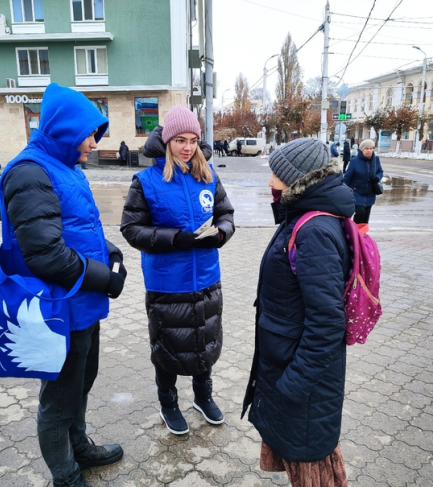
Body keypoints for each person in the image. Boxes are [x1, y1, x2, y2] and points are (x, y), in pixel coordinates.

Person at [1, 83, 126, 487]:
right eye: (89, 134)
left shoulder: (65, 167)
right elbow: (45, 254)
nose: (94, 143)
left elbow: (78, 229)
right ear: (66, 129)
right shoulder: (29, 172)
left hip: (81, 303)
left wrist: (110, 252)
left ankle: (79, 447)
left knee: (81, 383)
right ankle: (66, 475)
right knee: (58, 399)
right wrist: (104, 277)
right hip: (57, 307)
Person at [242, 138, 354, 487]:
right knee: (301, 458)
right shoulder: (301, 216)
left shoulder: (314, 231)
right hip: (286, 362)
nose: (270, 181)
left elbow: (328, 323)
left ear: (299, 179)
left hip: (299, 376)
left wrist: (294, 383)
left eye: (277, 174)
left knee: (313, 468)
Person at [120, 105, 235, 436]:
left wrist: (221, 233)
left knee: (205, 343)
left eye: (193, 140)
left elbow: (226, 214)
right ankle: (168, 403)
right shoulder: (146, 181)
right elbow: (131, 229)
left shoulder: (208, 174)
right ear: (167, 140)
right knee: (168, 348)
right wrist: (175, 239)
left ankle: (203, 397)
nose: (187, 147)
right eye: (180, 140)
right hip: (167, 282)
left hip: (207, 277)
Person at [343, 138, 384, 225]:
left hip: (370, 193)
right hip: (357, 192)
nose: (369, 150)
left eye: (371, 148)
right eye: (366, 148)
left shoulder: (376, 160)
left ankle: (362, 232)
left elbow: (380, 172)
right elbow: (347, 177)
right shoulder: (354, 161)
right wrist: (344, 191)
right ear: (362, 150)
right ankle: (354, 230)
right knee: (360, 212)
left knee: (365, 217)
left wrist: (377, 178)